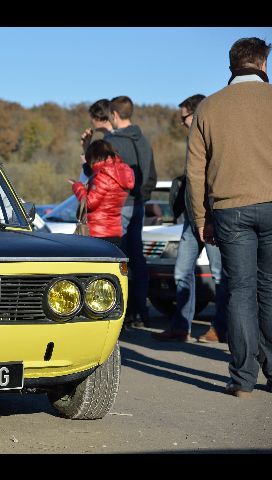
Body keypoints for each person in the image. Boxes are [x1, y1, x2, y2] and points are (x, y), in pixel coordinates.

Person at [186, 37, 272, 397]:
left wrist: (200, 219)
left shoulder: (209, 107)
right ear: (263, 64)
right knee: (269, 289)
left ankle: (242, 379)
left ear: (231, 66)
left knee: (240, 291)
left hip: (229, 209)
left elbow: (195, 171)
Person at [153, 94, 227, 343]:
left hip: (211, 216)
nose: (181, 123)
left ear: (195, 115)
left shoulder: (214, 137)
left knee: (219, 274)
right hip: (191, 219)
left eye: (183, 117)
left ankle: (221, 327)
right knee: (182, 272)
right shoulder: (193, 140)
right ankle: (181, 326)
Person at [107, 95, 157, 328]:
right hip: (138, 203)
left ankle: (124, 312)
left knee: (119, 258)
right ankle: (140, 311)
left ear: (114, 115)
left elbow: (104, 174)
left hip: (120, 204)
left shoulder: (112, 141)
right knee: (137, 257)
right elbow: (151, 175)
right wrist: (142, 195)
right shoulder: (143, 141)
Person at [69, 140, 135, 248]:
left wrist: (78, 187)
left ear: (94, 156)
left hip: (98, 232)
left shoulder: (103, 176)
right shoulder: (121, 173)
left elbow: (89, 204)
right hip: (115, 231)